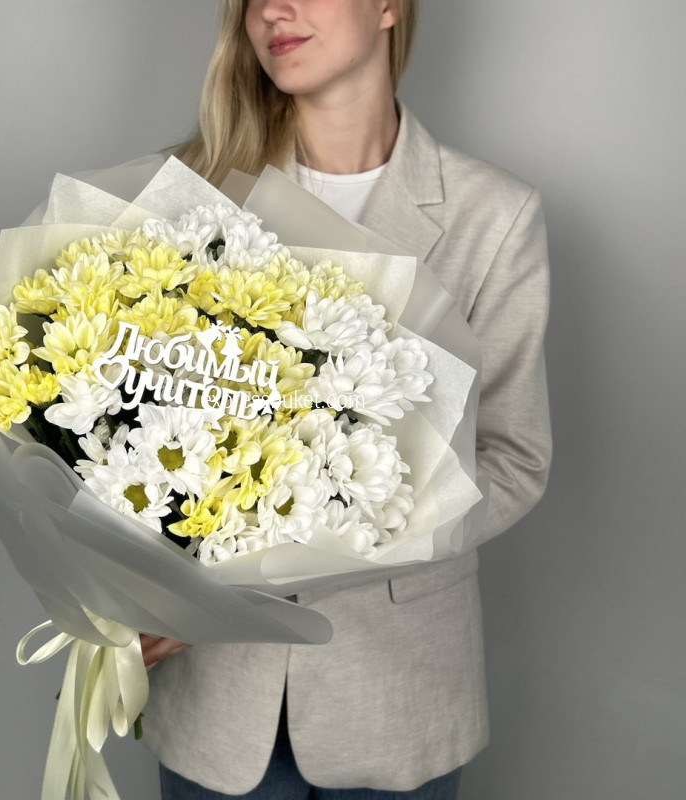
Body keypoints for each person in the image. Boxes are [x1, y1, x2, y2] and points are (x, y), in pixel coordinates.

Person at [137, 1, 552, 797]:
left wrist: (317, 544)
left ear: (389, 6)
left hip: (398, 692)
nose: (272, 10)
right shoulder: (184, 191)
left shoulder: (493, 216)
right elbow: (123, 428)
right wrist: (132, 581)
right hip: (216, 699)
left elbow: (512, 456)